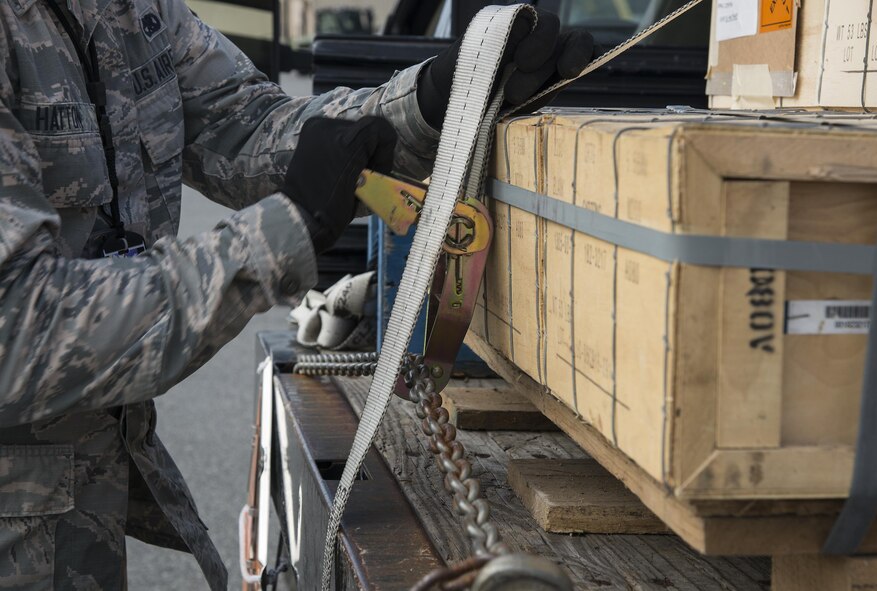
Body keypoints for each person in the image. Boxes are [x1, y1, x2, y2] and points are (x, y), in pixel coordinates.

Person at [0, 0, 593, 587]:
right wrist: (281, 234)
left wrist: (438, 100)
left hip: (81, 499)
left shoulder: (132, 11)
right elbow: (19, 328)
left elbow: (250, 125)